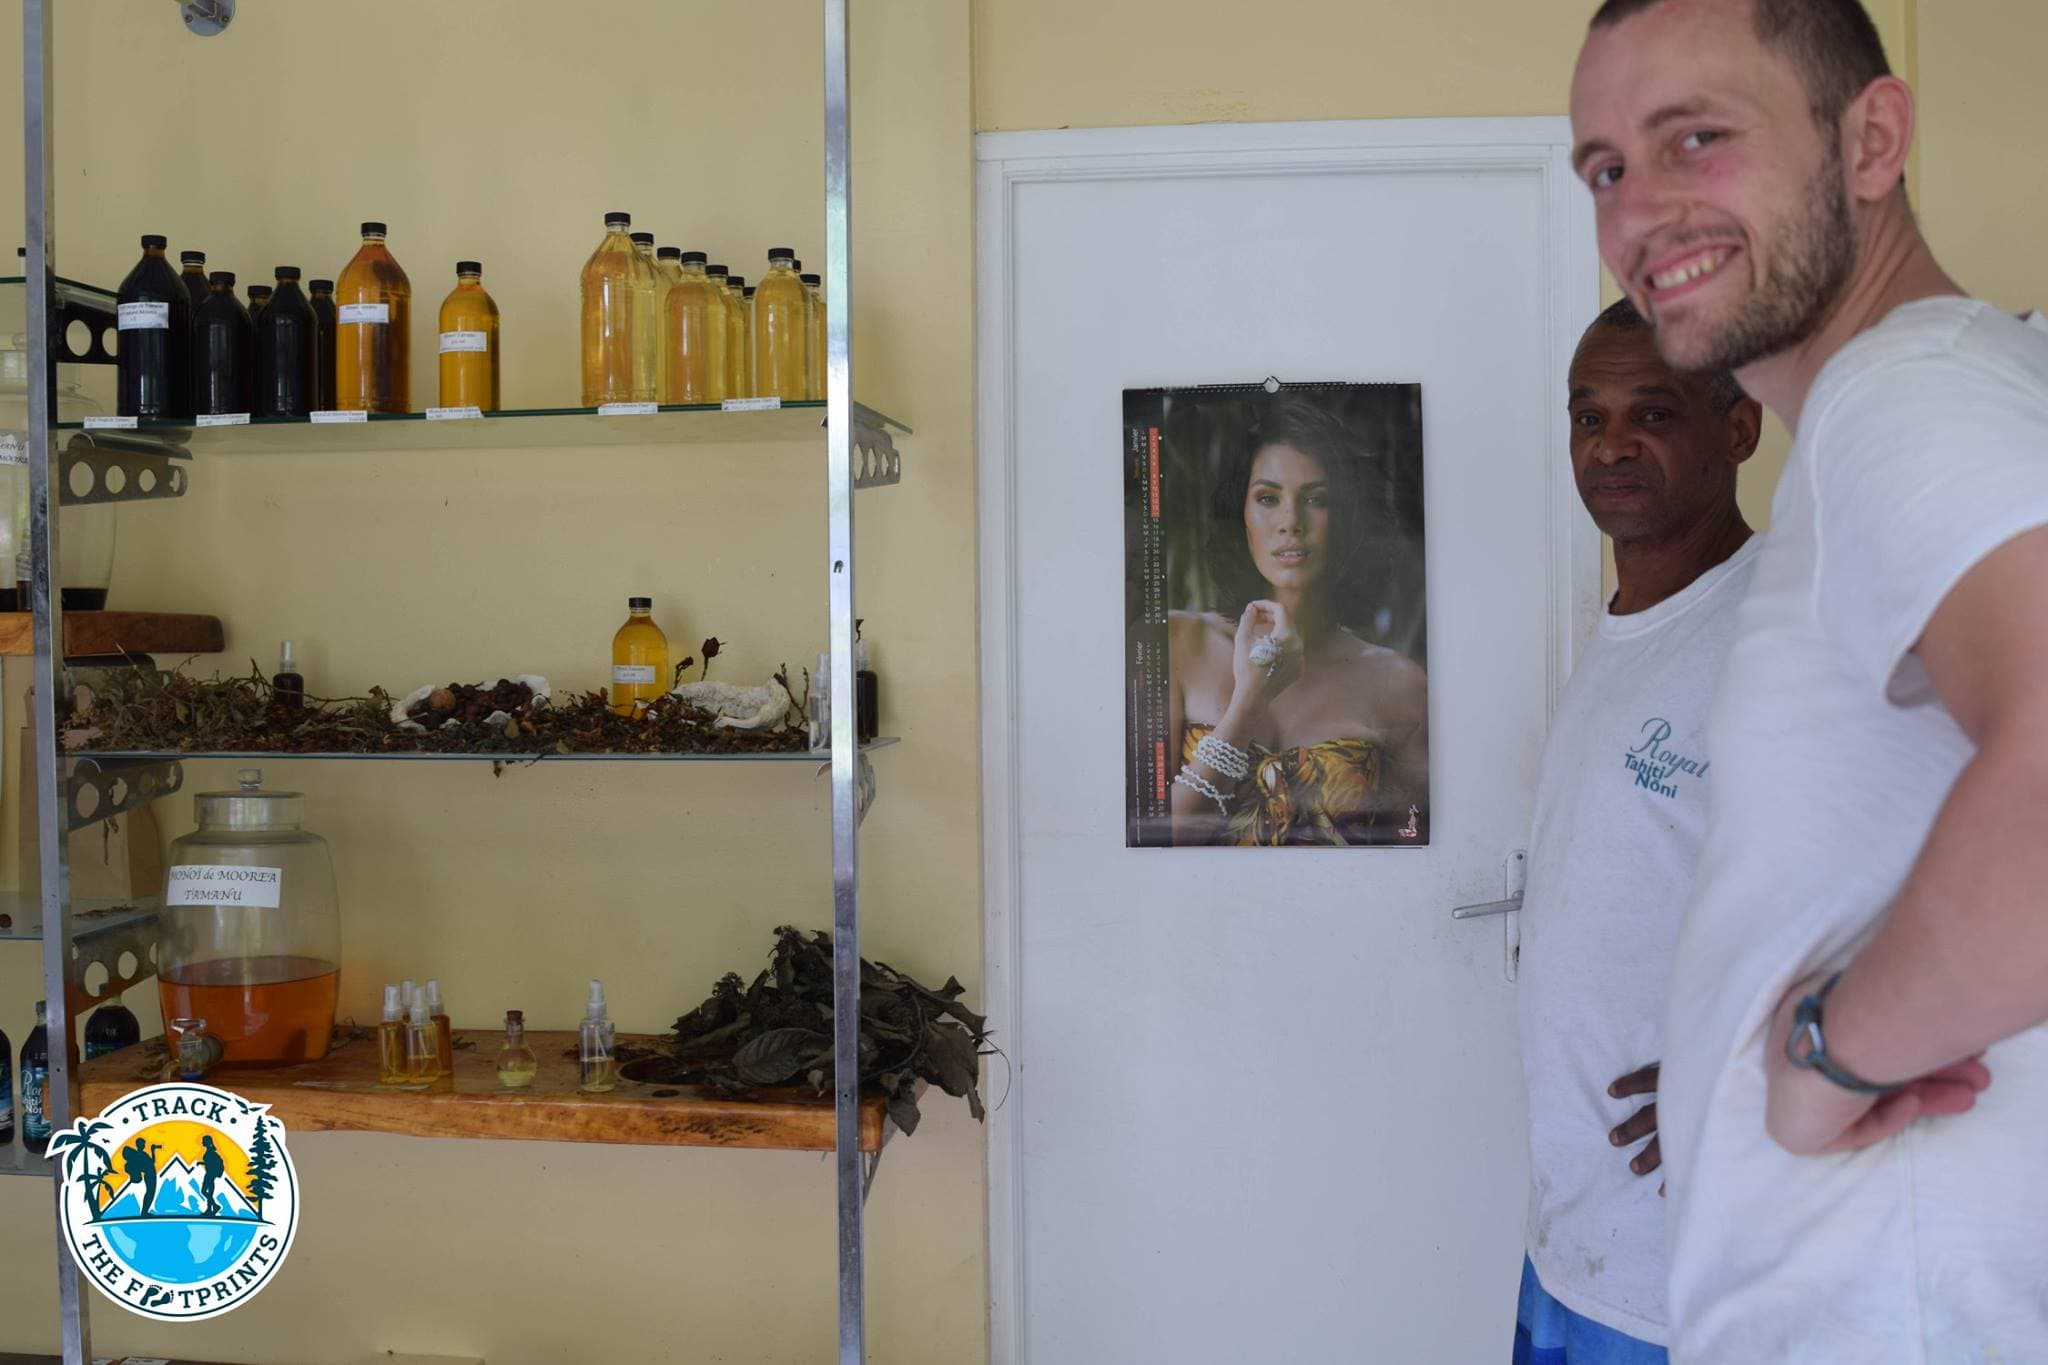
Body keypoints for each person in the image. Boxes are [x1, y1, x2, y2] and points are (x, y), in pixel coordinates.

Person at [1572, 1, 2048, 1359]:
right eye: (1606, 167)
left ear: (1872, 139)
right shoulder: (1930, 398)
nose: (1640, 213)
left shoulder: (1911, 398)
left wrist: (1827, 1054)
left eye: (1697, 139)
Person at [1515, 299, 1760, 1365]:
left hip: (1692, 1276)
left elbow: (1910, 896)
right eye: (1586, 417)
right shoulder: (1625, 632)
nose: (1608, 444)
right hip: (1574, 1241)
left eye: (1650, 412)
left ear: (1739, 425)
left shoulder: (1778, 635)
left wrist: (1742, 1074)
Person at [1167, 395, 1428, 845]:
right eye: (1268, 498)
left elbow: (1415, 847)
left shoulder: (1400, 684)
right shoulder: (1175, 642)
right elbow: (1153, 839)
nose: (1291, 521)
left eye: (1317, 500)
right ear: (1240, 514)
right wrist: (1250, 700)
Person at [199, 1134, 226, 1217]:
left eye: (203, 1141)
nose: (202, 1142)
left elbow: (211, 1163)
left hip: (210, 1174)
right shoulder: (210, 1151)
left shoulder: (210, 1152)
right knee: (209, 1193)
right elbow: (210, 1162)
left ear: (207, 1142)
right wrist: (202, 1163)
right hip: (211, 1174)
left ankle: (214, 1206)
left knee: (204, 1191)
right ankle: (210, 1209)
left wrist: (204, 1163)